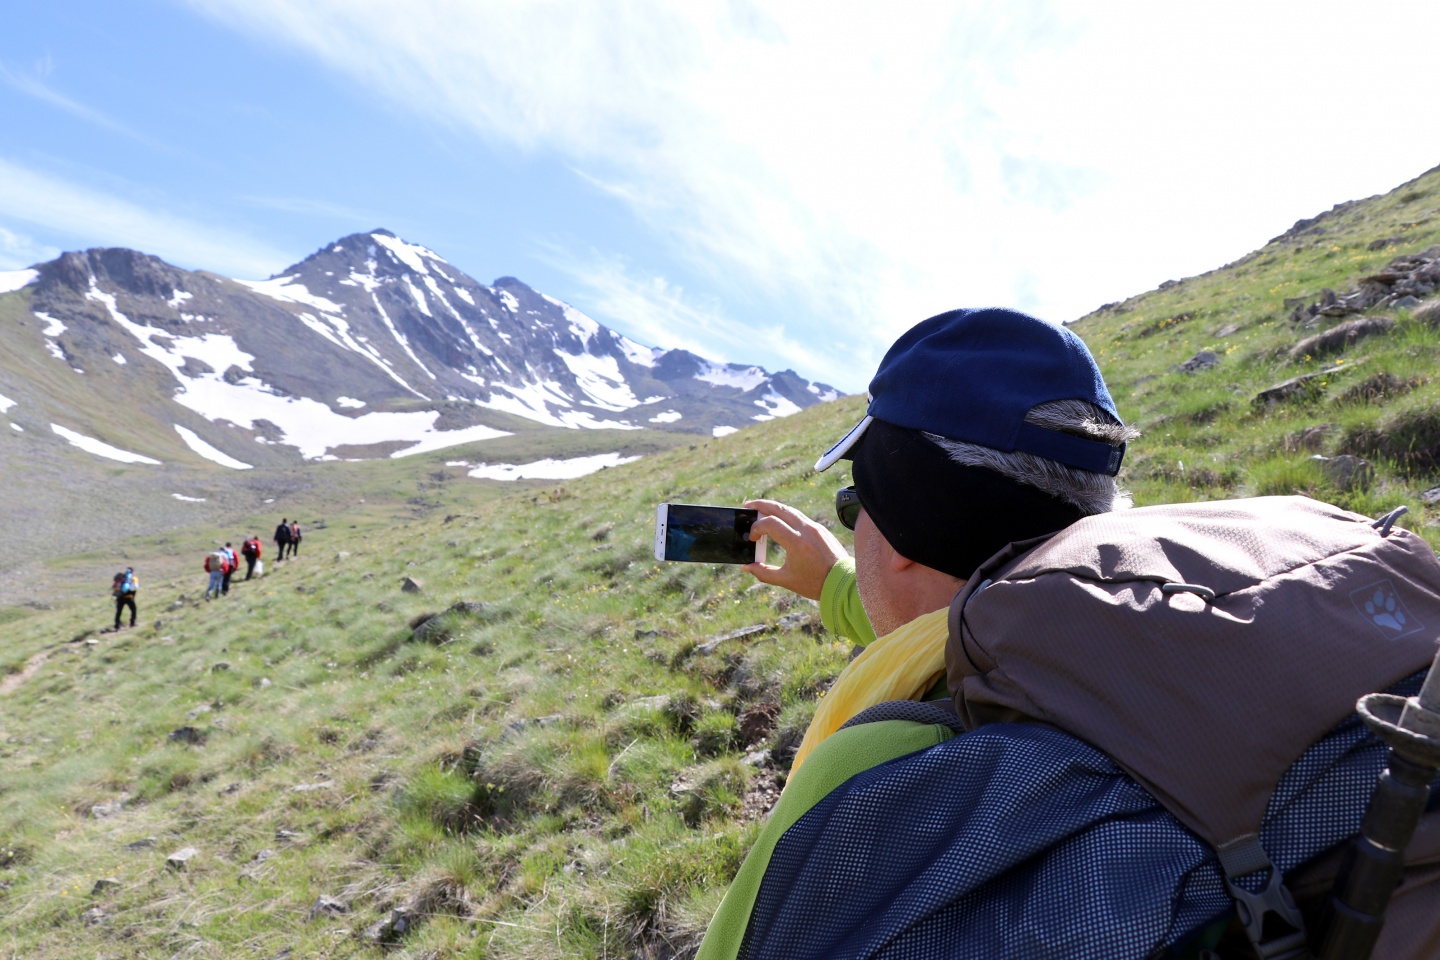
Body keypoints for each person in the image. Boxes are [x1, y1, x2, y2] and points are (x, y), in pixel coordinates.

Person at [696, 307, 1440, 959]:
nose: (853, 531)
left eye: (855, 506)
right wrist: (832, 583)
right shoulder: (1155, 609)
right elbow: (953, 610)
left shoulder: (874, 760)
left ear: (901, 533)